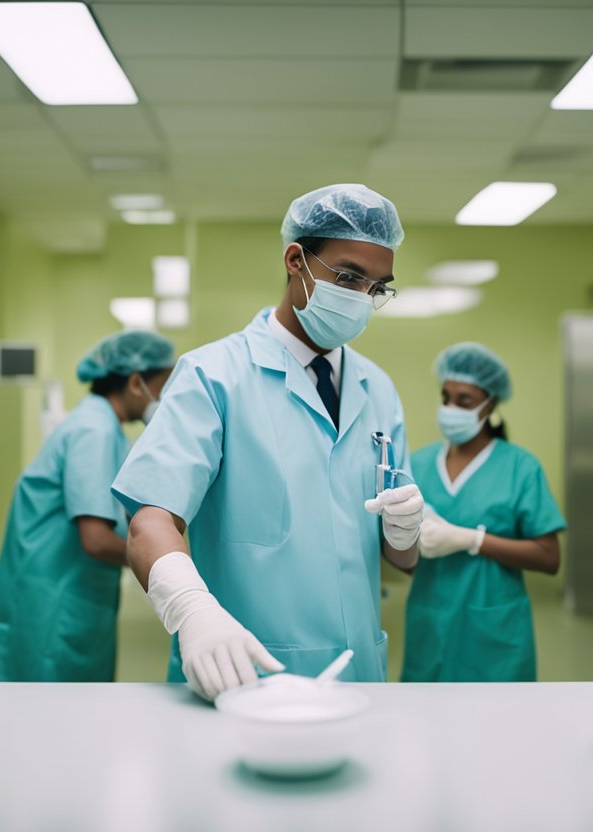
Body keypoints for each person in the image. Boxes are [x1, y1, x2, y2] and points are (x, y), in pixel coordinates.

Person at [111, 184, 423, 701]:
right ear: (296, 260)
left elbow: (401, 560)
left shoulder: (378, 389)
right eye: (348, 276)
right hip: (244, 673)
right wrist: (192, 611)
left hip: (360, 675)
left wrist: (407, 532)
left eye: (377, 287)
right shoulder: (212, 376)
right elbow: (149, 523)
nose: (361, 297)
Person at [0, 331, 174, 682]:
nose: (165, 398)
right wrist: (163, 562)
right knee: (44, 720)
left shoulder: (103, 428)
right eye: (163, 387)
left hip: (69, 595)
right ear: (135, 382)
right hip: (54, 605)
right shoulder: (93, 432)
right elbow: (95, 539)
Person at [401, 343, 565, 682]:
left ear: (491, 404)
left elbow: (549, 558)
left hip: (492, 632)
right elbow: (402, 561)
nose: (451, 409)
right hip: (430, 622)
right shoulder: (417, 464)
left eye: (465, 401)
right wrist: (401, 536)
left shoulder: (519, 467)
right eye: (446, 398)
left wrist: (472, 540)